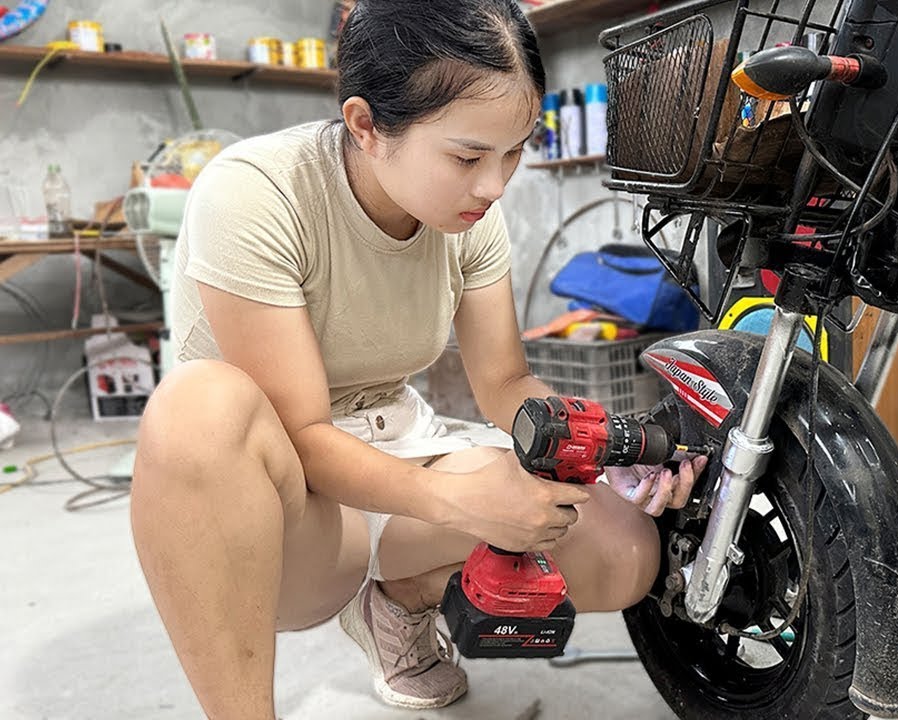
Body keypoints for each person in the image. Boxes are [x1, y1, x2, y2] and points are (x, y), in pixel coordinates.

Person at [129, 1, 708, 716]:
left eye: (515, 151)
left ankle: (399, 602)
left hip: (398, 444)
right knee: (197, 407)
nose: (495, 186)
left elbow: (502, 382)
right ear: (366, 126)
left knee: (625, 556)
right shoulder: (256, 193)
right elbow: (306, 435)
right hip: (283, 501)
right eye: (467, 157)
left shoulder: (469, 218)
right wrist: (461, 500)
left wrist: (594, 447)